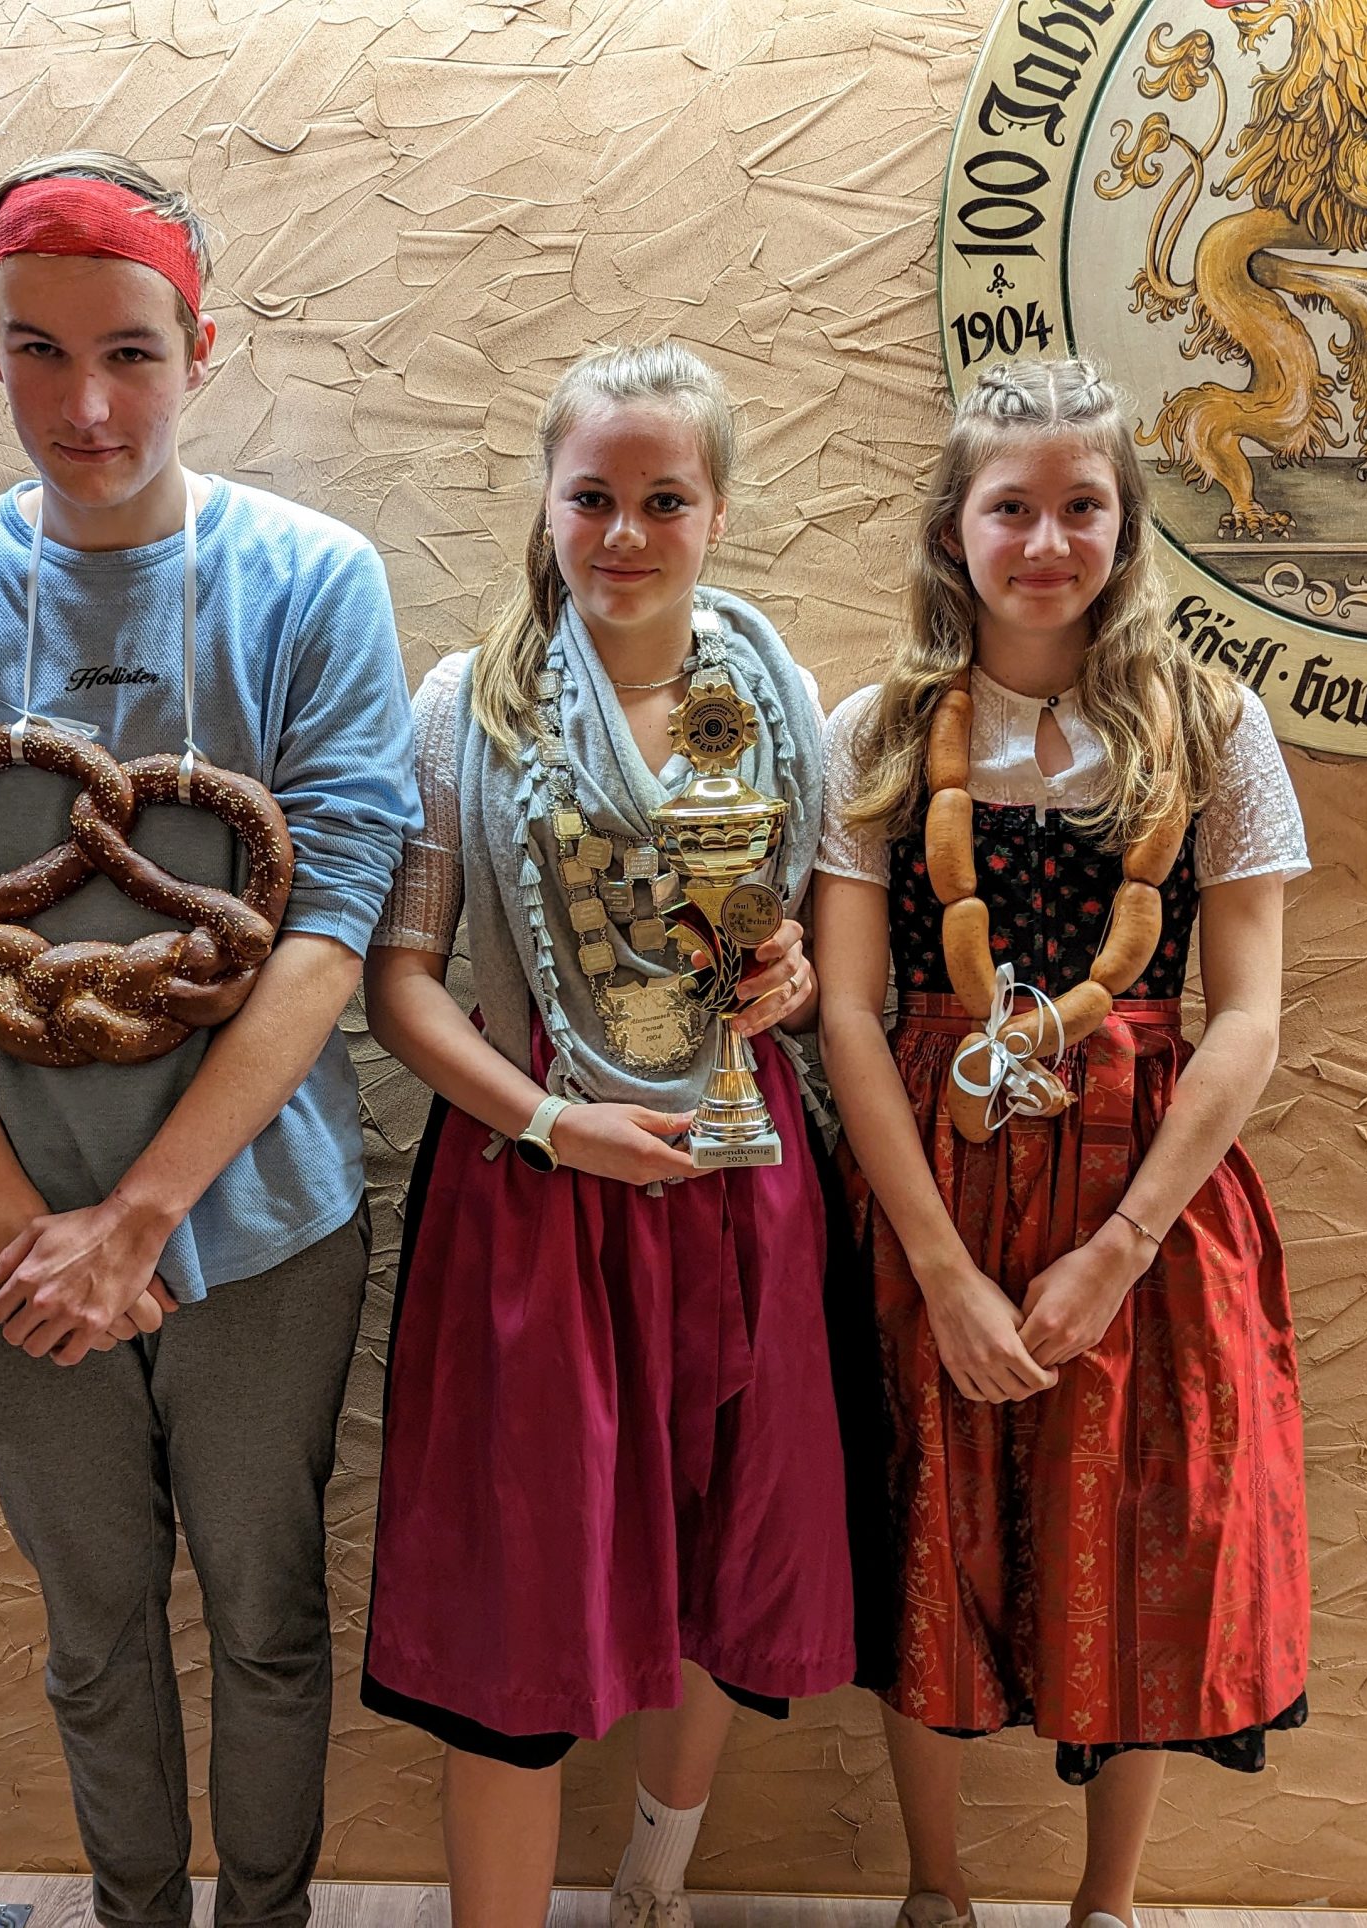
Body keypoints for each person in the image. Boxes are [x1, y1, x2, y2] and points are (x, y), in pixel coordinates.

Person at [0, 152, 419, 1928]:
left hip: (260, 1237)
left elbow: (332, 920)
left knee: (269, 1621)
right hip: (4, 1246)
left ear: (202, 348)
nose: (86, 405)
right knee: (93, 1634)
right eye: (41, 351)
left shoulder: (310, 583)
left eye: (132, 354)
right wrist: (30, 1235)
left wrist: (139, 1221)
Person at [358, 343, 855, 1928]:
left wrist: (787, 983)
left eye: (665, 499)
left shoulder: (781, 698)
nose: (626, 533)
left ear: (718, 512)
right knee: (516, 1596)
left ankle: (654, 1875)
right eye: (594, 497)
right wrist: (551, 1121)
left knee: (725, 1557)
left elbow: (819, 963)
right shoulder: (467, 704)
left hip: (736, 1177)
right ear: (547, 502)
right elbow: (401, 987)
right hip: (531, 1189)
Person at [814, 360, 1312, 1928]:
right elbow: (848, 1016)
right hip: (935, 1169)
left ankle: (1110, 1903)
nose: (1046, 542)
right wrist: (940, 1270)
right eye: (1011, 507)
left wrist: (1122, 1245)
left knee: (1150, 1514)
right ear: (952, 529)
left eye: (1081, 506)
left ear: (1127, 526)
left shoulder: (1213, 727)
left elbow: (1246, 1017)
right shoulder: (877, 733)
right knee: (925, 1505)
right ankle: (935, 1891)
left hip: (1146, 1181)